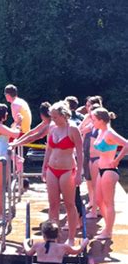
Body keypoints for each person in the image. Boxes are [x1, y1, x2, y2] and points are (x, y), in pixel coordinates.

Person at [42, 101, 83, 245]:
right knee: (52, 204)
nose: (53, 119)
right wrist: (44, 167)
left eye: (55, 117)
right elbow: (48, 149)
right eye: (51, 117)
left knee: (69, 204)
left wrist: (79, 173)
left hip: (67, 169)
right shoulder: (52, 127)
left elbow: (80, 151)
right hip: (52, 168)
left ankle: (71, 238)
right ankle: (53, 237)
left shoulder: (73, 129)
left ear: (63, 115)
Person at [91, 108, 128, 240]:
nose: (92, 122)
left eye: (94, 120)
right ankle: (107, 227)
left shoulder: (110, 133)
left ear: (101, 120)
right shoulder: (101, 131)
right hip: (102, 170)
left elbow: (126, 144)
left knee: (109, 203)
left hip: (109, 171)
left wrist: (116, 160)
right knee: (98, 200)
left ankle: (108, 231)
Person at [0, 103, 21, 220]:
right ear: (2, 115)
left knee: (1, 186)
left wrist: (16, 124)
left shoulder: (0, 126)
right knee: (0, 186)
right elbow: (15, 133)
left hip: (2, 157)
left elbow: (11, 131)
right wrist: (18, 122)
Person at [79, 100, 103, 217]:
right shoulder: (92, 125)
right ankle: (95, 209)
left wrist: (115, 159)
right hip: (91, 157)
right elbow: (80, 129)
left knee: (97, 185)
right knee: (93, 184)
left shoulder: (103, 128)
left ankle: (96, 211)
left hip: (98, 158)